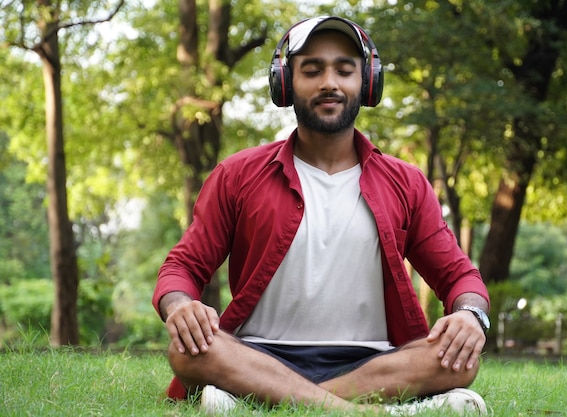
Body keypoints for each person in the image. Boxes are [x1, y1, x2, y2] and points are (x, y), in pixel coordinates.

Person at [153, 16, 490, 416]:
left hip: (371, 363)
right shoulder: (237, 175)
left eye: (344, 70)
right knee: (188, 350)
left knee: (461, 359)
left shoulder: (408, 183)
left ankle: (257, 401)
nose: (329, 82)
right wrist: (180, 307)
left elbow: (459, 277)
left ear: (367, 83)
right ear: (285, 82)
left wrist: (470, 315)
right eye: (312, 70)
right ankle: (371, 413)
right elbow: (182, 267)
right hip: (258, 356)